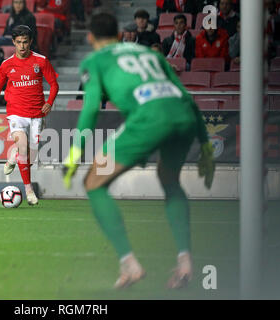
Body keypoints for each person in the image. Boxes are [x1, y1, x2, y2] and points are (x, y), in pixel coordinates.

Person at [62, 13, 215, 289]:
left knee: (94, 182)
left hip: (147, 122)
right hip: (183, 118)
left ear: (90, 38)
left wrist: (75, 152)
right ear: (120, 34)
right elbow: (185, 95)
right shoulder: (150, 54)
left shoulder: (95, 60)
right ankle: (185, 262)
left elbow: (91, 107)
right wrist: (205, 145)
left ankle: (129, 265)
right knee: (169, 179)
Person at [0, 25, 59, 206]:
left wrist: (49, 103)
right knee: (22, 145)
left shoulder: (41, 61)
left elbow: (54, 84)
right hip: (16, 113)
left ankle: (12, 156)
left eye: (25, 42)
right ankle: (28, 190)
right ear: (13, 42)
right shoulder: (6, 65)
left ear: (30, 42)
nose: (22, 46)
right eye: (19, 42)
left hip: (37, 114)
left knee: (30, 156)